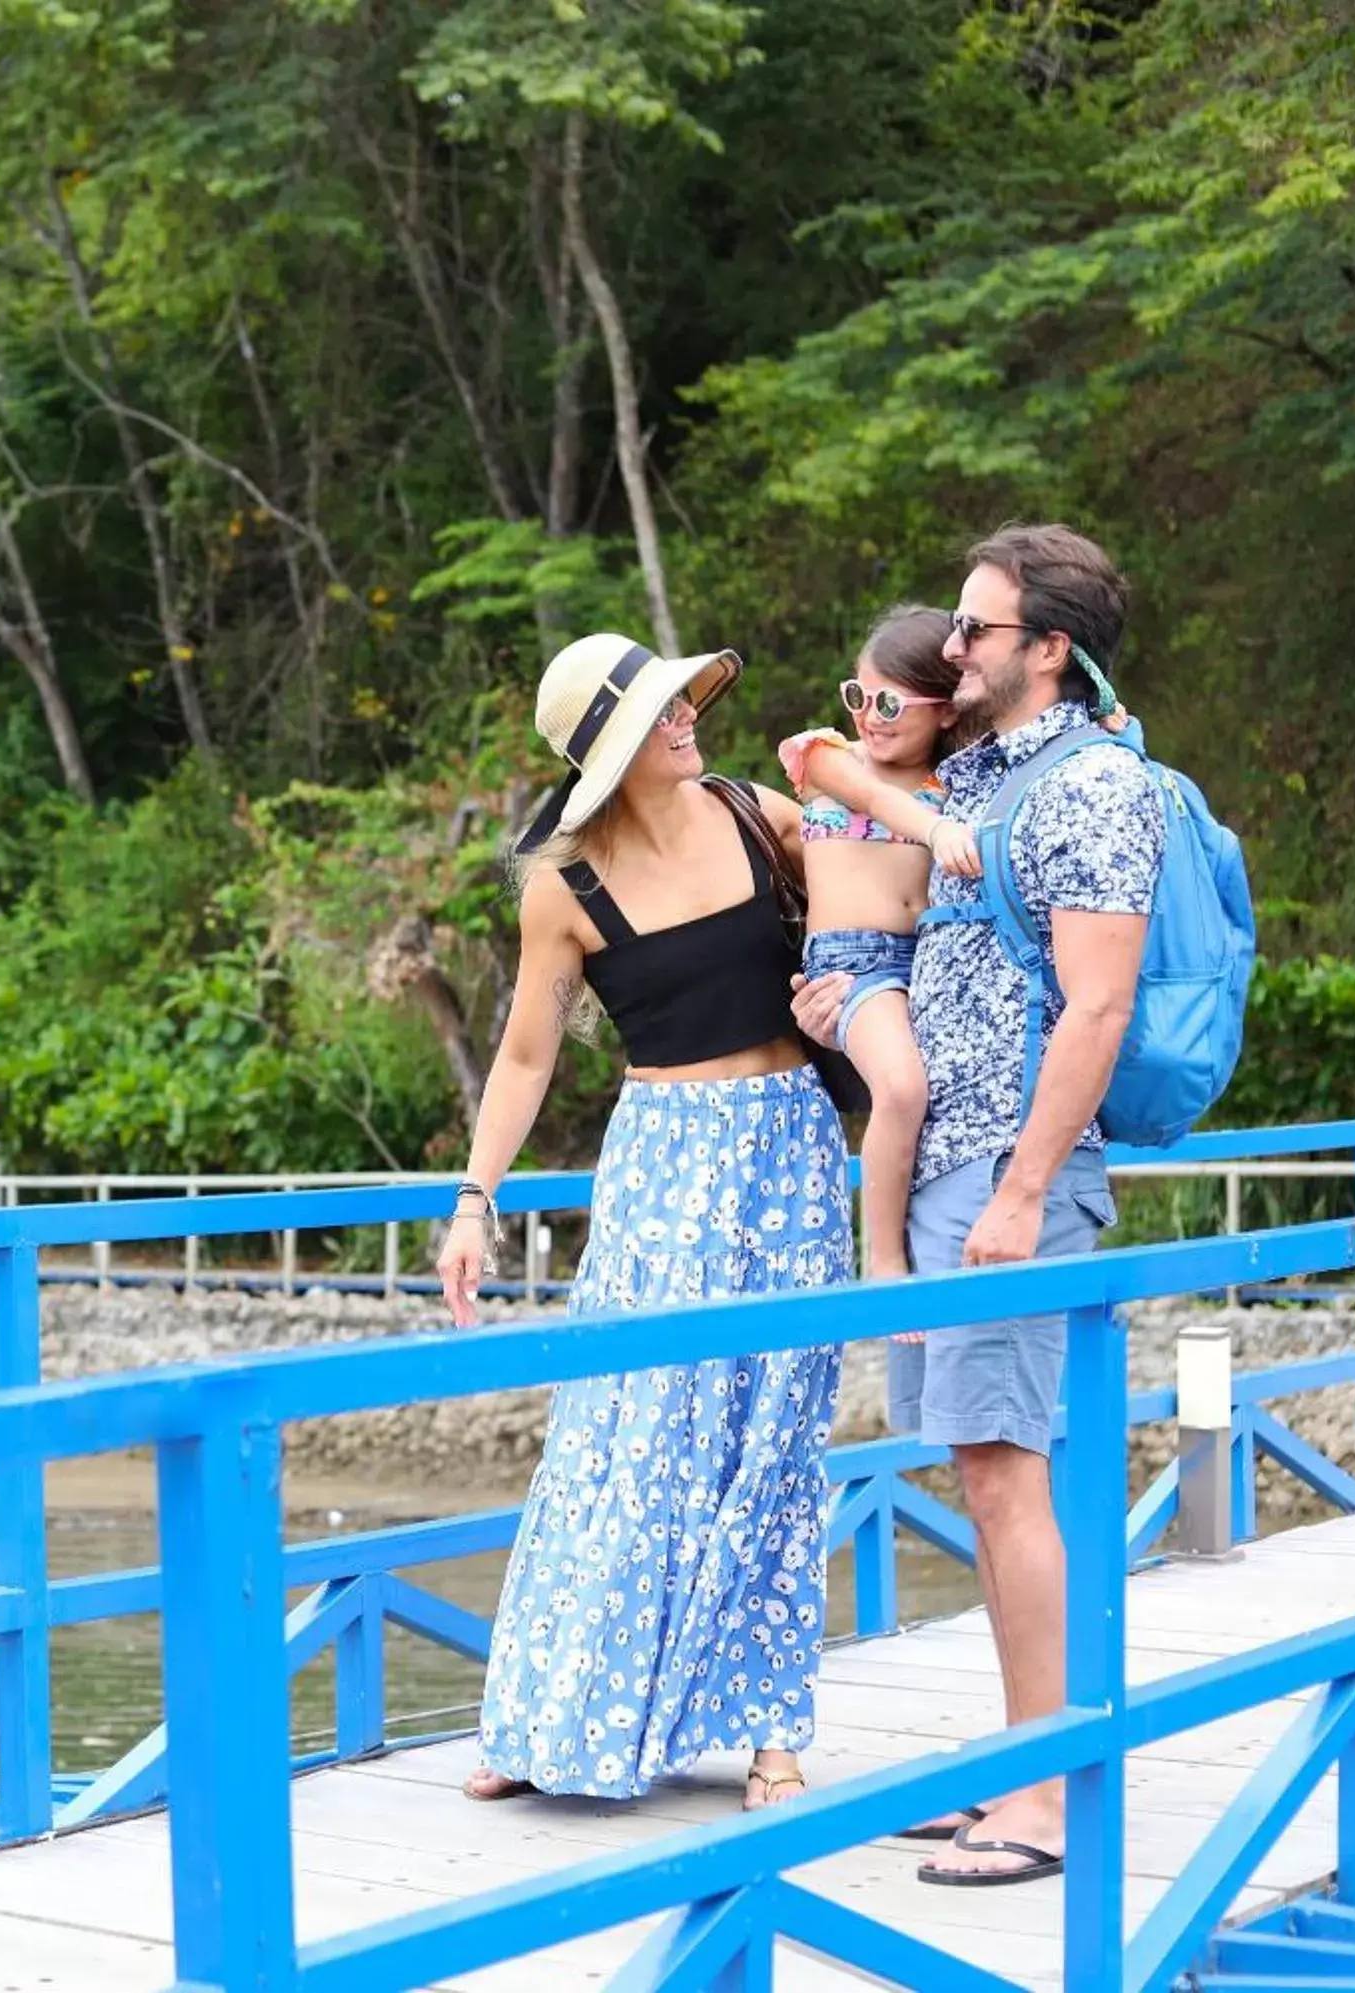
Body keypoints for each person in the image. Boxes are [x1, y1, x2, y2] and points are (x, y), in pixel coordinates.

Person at [793, 524, 1163, 1888]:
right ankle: (1017, 1768)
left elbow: (1098, 1003)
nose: (948, 652)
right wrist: (842, 1014)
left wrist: (1014, 1195)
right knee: (979, 1464)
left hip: (1002, 1175)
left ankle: (1046, 1803)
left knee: (1005, 1474)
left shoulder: (1092, 788)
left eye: (973, 631)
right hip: (946, 1159)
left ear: (1047, 648)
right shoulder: (987, 780)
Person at [439, 631, 852, 1814]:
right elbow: (523, 1057)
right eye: (660, 711)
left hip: (788, 1150)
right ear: (609, 753)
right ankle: (543, 1711)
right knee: (626, 1433)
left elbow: (868, 900)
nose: (686, 716)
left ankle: (770, 1725)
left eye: (679, 700)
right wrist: (473, 1200)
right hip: (661, 1165)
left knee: (772, 1432)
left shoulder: (749, 810)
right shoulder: (559, 889)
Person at [773, 606, 983, 1281]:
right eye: (859, 694)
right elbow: (869, 794)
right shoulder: (830, 758)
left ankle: (937, 1233)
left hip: (928, 963)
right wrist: (933, 829)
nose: (871, 713)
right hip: (852, 963)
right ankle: (884, 1258)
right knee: (901, 1088)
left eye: (891, 701)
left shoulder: (960, 777)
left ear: (946, 711)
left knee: (948, 1101)